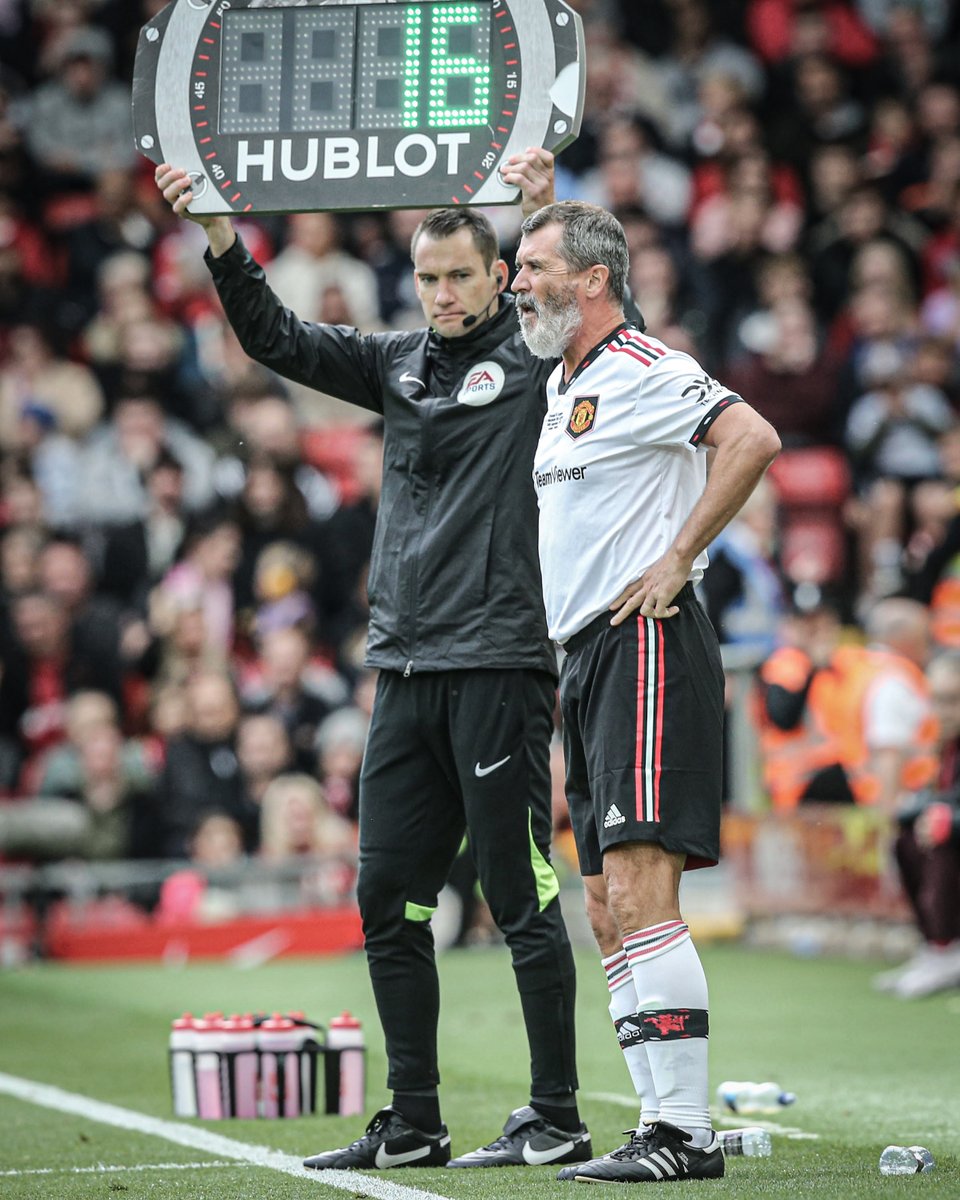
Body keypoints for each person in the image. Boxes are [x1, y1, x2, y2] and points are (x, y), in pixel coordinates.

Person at [155, 152, 591, 1171]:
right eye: (427, 277)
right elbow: (275, 337)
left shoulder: (538, 360)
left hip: (496, 665)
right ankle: (414, 1120)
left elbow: (596, 316)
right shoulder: (395, 361)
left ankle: (557, 1113)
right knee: (386, 898)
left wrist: (544, 211)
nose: (441, 294)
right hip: (399, 672)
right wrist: (219, 233)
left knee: (518, 892)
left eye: (460, 277)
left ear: (501, 280)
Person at [513, 200, 781, 1183]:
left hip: (647, 642)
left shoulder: (643, 367)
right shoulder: (562, 384)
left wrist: (679, 554)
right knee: (602, 900)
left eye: (533, 265)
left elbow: (751, 437)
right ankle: (660, 1121)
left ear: (593, 279)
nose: (517, 280)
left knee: (638, 886)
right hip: (586, 656)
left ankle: (679, 1134)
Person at [874, 650, 960, 999]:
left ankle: (945, 948)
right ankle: (938, 947)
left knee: (939, 832)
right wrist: (909, 809)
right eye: (936, 700)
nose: (942, 710)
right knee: (908, 837)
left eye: (952, 700)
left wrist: (949, 820)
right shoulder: (947, 744)